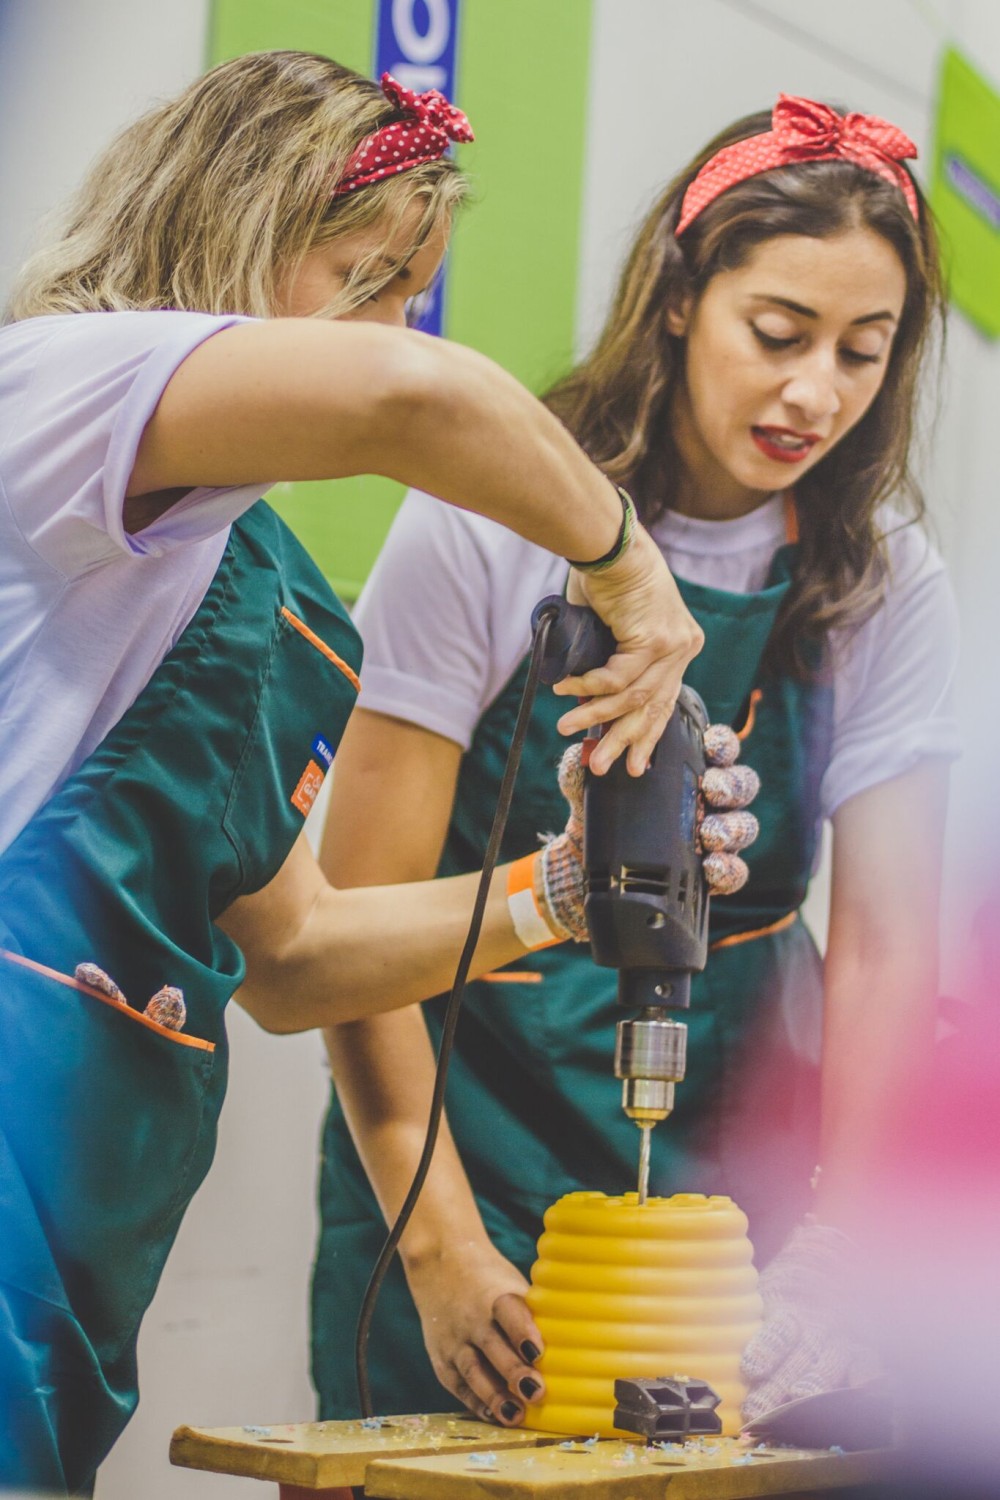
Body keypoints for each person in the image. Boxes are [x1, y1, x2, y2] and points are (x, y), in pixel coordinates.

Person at [0, 50, 740, 1496]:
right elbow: (416, 400)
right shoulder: (59, 385)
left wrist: (569, 888)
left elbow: (293, 957)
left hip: (70, 1261)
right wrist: (630, 566)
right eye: (367, 277)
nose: (398, 326)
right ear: (231, 226)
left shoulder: (259, 585)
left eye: (414, 293)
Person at [312, 95, 960, 1430]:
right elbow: (350, 924)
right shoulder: (488, 524)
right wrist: (436, 1250)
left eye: (863, 352)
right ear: (677, 299)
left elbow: (892, 950)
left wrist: (845, 1252)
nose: (812, 393)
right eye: (776, 335)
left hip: (749, 1212)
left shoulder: (882, 586)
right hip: (465, 1150)